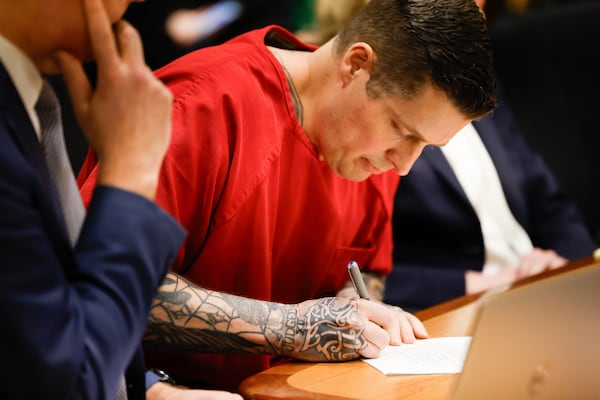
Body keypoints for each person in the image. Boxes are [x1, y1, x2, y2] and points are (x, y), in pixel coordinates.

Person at [78, 0, 496, 391]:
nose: (404, 165)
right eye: (402, 131)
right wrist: (293, 327)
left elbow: (368, 267)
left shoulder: (371, 152)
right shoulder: (201, 105)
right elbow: (98, 282)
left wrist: (357, 305)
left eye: (425, 146)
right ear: (356, 65)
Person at [0, 0, 240, 398]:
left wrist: (149, 389)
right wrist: (132, 169)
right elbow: (66, 384)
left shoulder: (25, 97)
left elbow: (32, 333)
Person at [385, 93, 598, 311]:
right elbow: (367, 270)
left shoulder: (479, 88)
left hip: (540, 285)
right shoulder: (390, 114)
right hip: (462, 304)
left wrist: (569, 268)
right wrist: (476, 284)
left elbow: (546, 199)